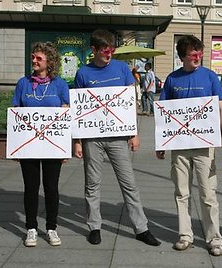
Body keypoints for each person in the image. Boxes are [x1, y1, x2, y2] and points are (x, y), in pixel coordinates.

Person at [73, 29, 160, 247]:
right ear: (93, 50)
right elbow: (77, 109)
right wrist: (76, 141)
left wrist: (134, 133)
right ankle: (94, 226)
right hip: (92, 137)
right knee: (92, 184)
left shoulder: (122, 69)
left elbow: (130, 102)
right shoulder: (83, 73)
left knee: (129, 183)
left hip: (119, 137)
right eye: (104, 51)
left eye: (111, 50)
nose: (109, 54)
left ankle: (141, 228)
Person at [156, 35, 222, 256]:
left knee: (208, 194)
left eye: (199, 53)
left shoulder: (210, 77)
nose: (197, 57)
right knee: (181, 192)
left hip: (205, 146)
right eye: (192, 54)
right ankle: (185, 235)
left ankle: (214, 239)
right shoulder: (172, 79)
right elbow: (163, 112)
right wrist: (161, 143)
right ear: (182, 57)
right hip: (179, 145)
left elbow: (221, 109)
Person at [11, 42, 69, 247]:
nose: (34, 61)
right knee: (31, 187)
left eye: (39, 58)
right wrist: (16, 145)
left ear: (50, 62)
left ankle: (52, 227)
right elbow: (16, 110)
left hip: (52, 145)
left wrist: (65, 146)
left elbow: (66, 113)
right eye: (33, 57)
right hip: (29, 145)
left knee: (51, 187)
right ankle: (31, 228)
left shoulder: (60, 85)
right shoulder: (23, 83)